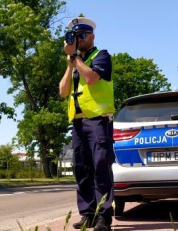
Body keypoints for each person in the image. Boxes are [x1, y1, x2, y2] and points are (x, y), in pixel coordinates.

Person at [59, 16, 115, 231]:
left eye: (83, 35)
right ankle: (87, 214)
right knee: (81, 170)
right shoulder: (74, 63)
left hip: (99, 121)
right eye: (75, 36)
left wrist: (76, 58)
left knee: (101, 167)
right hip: (78, 123)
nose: (80, 39)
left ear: (92, 36)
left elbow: (92, 79)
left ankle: (103, 217)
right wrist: (69, 64)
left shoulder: (101, 56)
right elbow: (63, 91)